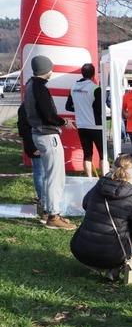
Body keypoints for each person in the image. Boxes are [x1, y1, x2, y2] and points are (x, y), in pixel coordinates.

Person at [70, 154, 132, 280]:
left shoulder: (100, 185)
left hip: (80, 250)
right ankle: (119, 266)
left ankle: (107, 266)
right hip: (112, 256)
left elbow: (86, 204)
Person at [24, 55, 77, 230]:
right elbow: (48, 114)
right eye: (50, 68)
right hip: (47, 134)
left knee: (48, 175)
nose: (52, 71)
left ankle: (48, 211)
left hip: (38, 133)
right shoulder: (39, 87)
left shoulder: (30, 85)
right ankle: (53, 215)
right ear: (46, 69)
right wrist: (63, 122)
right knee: (55, 176)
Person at [65, 63, 102, 177]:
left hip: (82, 126)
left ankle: (89, 179)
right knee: (103, 154)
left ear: (82, 73)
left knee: (87, 154)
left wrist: (81, 108)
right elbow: (100, 109)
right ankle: (105, 178)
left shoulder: (74, 87)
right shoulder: (96, 88)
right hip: (96, 126)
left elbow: (68, 107)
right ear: (93, 74)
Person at [17, 101, 45, 222]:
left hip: (35, 143)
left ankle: (42, 198)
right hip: (34, 144)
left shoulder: (27, 106)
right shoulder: (27, 107)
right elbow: (24, 128)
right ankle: (42, 198)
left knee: (40, 171)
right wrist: (32, 146)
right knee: (39, 172)